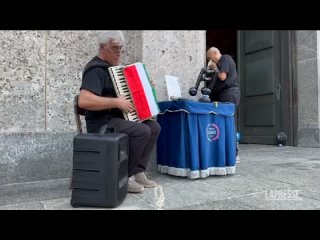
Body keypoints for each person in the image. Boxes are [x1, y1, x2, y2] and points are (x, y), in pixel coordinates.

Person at [78, 31, 161, 193]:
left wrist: (145, 87)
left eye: (121, 48)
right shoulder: (95, 70)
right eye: (115, 48)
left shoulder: (114, 71)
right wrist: (116, 102)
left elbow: (129, 98)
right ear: (103, 47)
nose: (119, 52)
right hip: (102, 123)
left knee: (153, 127)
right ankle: (123, 177)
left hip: (117, 119)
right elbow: (84, 100)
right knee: (142, 131)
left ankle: (138, 171)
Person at [206, 47, 241, 163]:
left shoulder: (225, 58)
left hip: (230, 93)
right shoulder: (220, 63)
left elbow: (222, 77)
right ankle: (228, 152)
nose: (212, 62)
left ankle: (234, 154)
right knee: (225, 122)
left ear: (216, 53)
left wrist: (214, 68)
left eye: (212, 59)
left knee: (230, 121)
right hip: (224, 94)